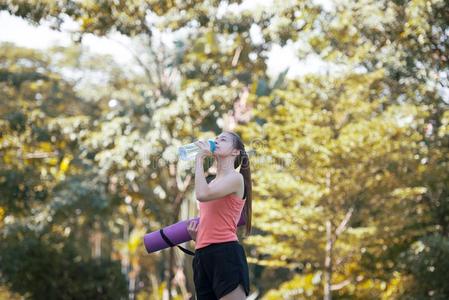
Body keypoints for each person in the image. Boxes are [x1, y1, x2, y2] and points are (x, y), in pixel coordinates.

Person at [187, 131, 252, 300]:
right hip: (202, 255)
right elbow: (212, 218)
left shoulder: (236, 179)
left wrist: (199, 159)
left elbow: (201, 194)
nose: (216, 141)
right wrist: (199, 237)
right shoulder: (212, 183)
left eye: (223, 139)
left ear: (235, 152)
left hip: (225, 253)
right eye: (216, 139)